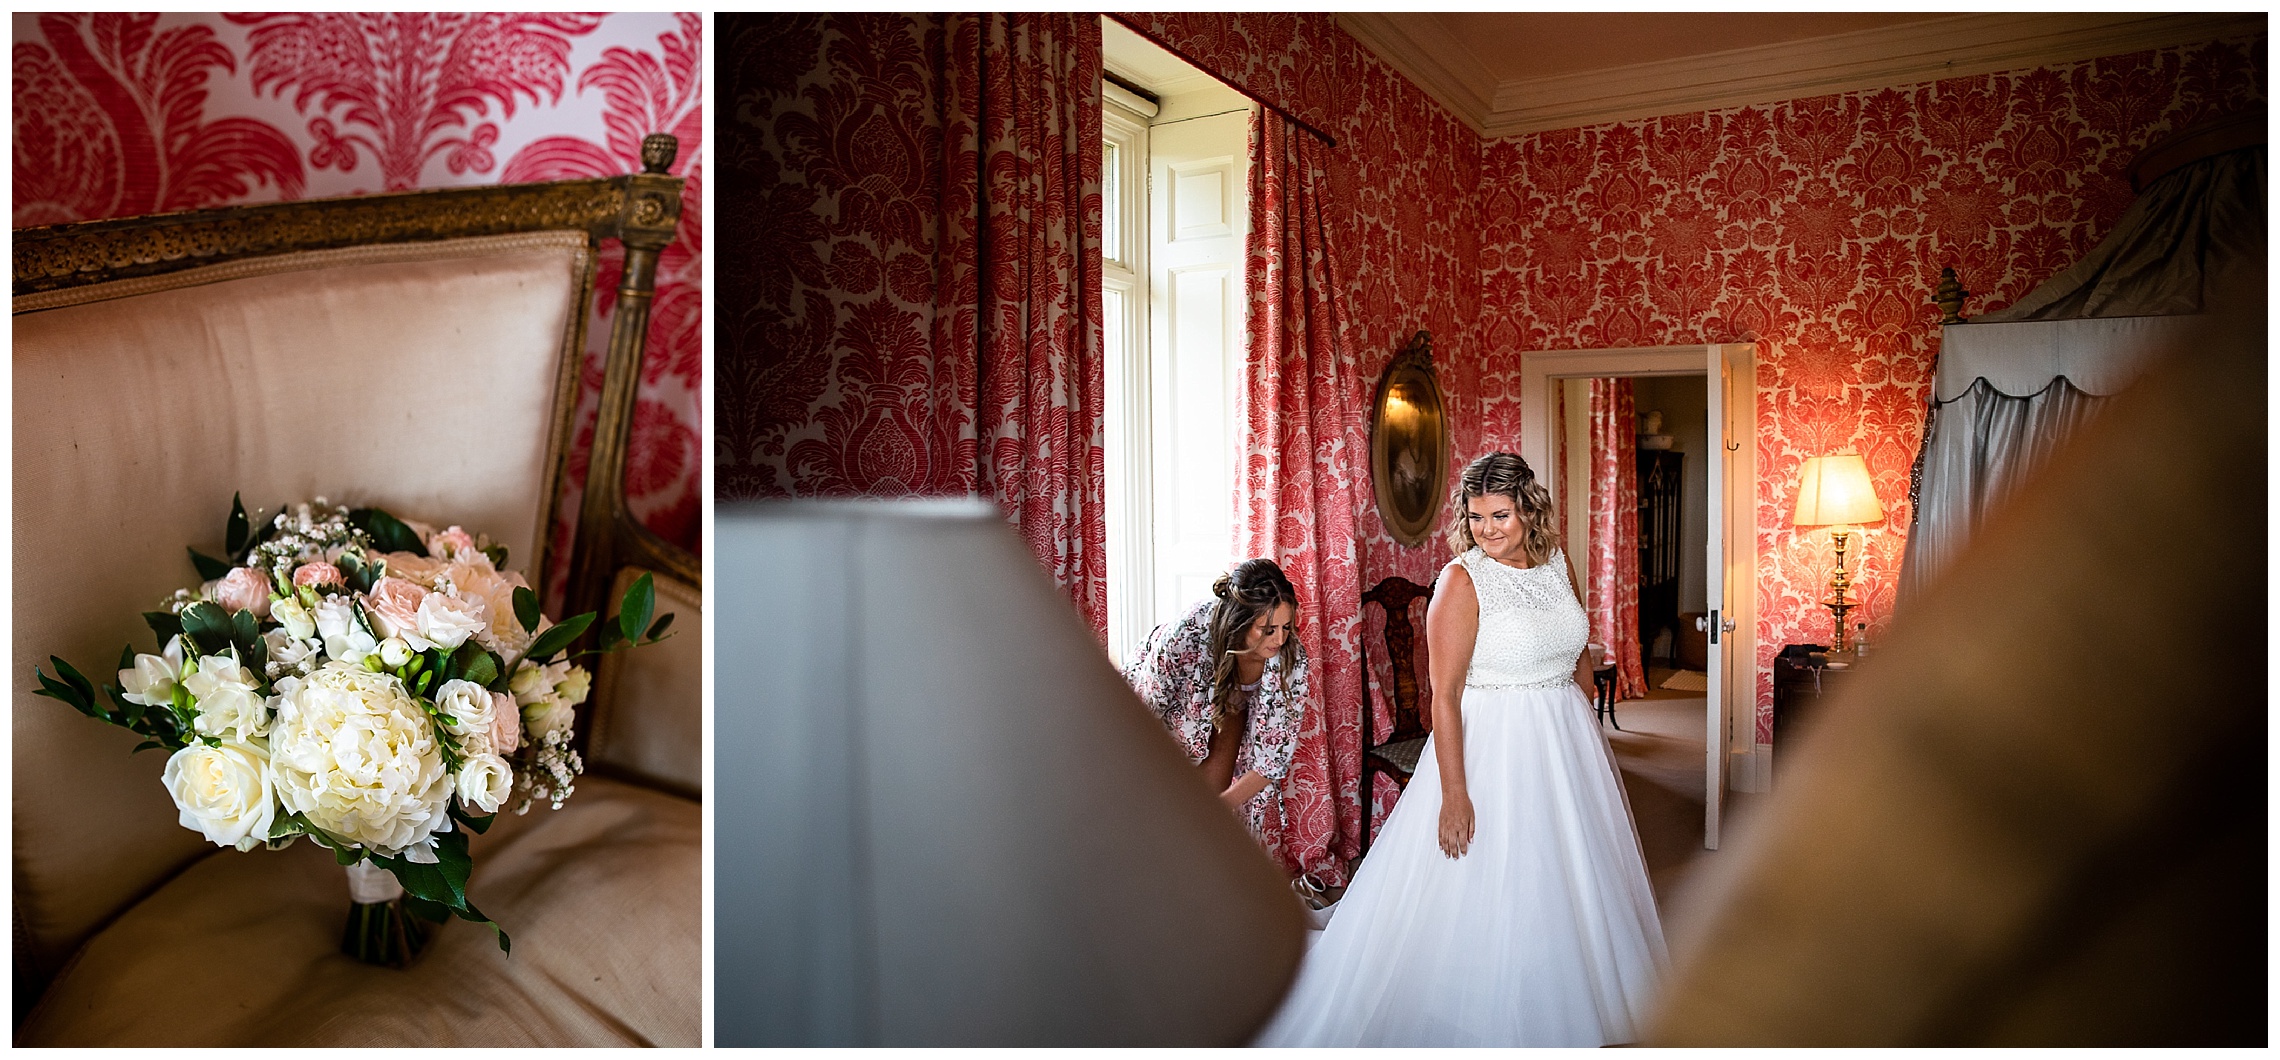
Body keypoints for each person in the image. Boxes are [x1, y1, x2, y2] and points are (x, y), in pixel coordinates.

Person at [1256, 452, 1667, 1046]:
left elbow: (1577, 653)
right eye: (1476, 518)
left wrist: (1588, 740)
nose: (1488, 529)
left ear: (1530, 510)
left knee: (1572, 878)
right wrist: (1454, 793)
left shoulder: (1558, 563)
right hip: (1495, 747)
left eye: (1500, 515)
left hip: (1566, 744)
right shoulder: (1462, 579)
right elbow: (1443, 698)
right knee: (1496, 884)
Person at [1123, 559, 1306, 847]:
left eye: (1286, 626)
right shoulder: (1185, 635)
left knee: (1207, 808)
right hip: (1169, 702)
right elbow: (1145, 714)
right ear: (1240, 621)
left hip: (1232, 706)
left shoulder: (1290, 659)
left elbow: (1273, 758)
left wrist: (1213, 813)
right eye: (1267, 629)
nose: (1280, 638)